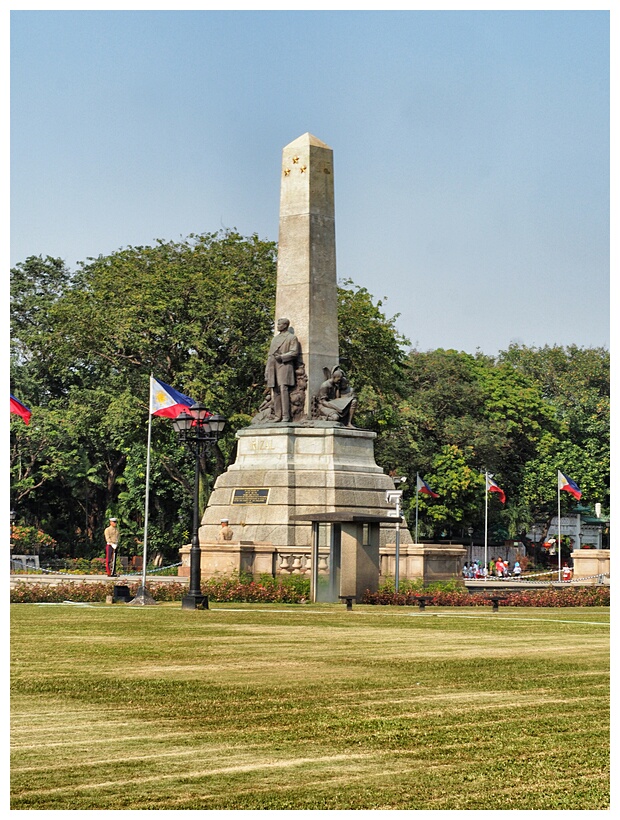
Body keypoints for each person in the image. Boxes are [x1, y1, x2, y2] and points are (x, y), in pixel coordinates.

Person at [265, 318, 300, 422]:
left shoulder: (291, 338)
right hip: (273, 366)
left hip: (284, 365)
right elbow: (270, 355)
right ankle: (277, 415)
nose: (278, 326)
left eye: (280, 324)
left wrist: (282, 357)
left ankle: (286, 416)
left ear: (285, 325)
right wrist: (267, 370)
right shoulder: (274, 339)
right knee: (275, 390)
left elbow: (294, 352)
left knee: (283, 389)